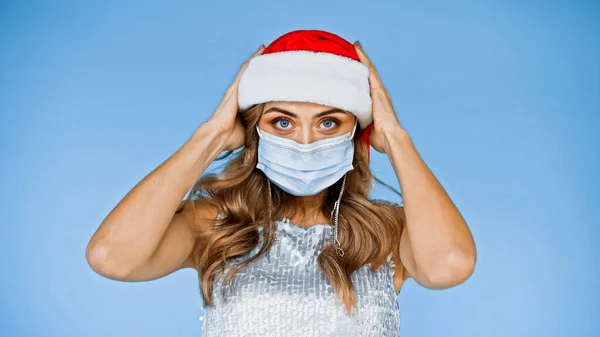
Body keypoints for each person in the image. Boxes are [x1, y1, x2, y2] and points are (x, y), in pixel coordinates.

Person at [86, 29, 477, 336]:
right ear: (256, 129)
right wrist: (212, 136)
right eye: (282, 122)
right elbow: (112, 257)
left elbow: (450, 265)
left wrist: (395, 138)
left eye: (328, 122)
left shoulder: (387, 232)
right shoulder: (217, 226)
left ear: (354, 134)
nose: (304, 141)